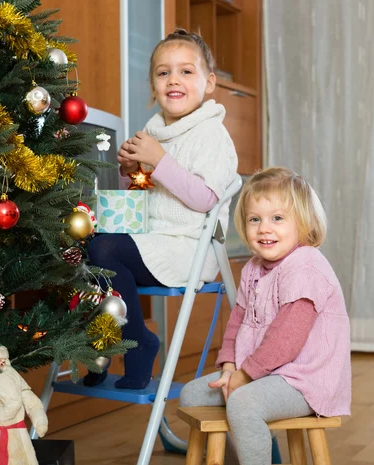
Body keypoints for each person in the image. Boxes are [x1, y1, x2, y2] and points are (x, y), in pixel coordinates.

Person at [83, 28, 238, 389]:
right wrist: (129, 173)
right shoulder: (151, 133)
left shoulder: (211, 134)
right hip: (149, 239)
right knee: (86, 246)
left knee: (104, 248)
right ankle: (100, 344)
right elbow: (141, 198)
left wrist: (159, 160)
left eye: (186, 71)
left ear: (209, 83)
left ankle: (137, 344)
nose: (174, 80)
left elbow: (204, 199)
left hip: (189, 246)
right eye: (163, 72)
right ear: (153, 87)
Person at [180, 167, 351, 465]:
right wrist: (230, 367)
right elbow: (237, 323)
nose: (264, 229)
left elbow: (287, 340)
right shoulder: (253, 269)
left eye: (277, 218)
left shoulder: (306, 267)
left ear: (303, 223)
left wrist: (244, 377)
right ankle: (251, 457)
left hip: (304, 381)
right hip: (263, 374)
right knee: (191, 395)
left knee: (244, 403)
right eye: (254, 219)